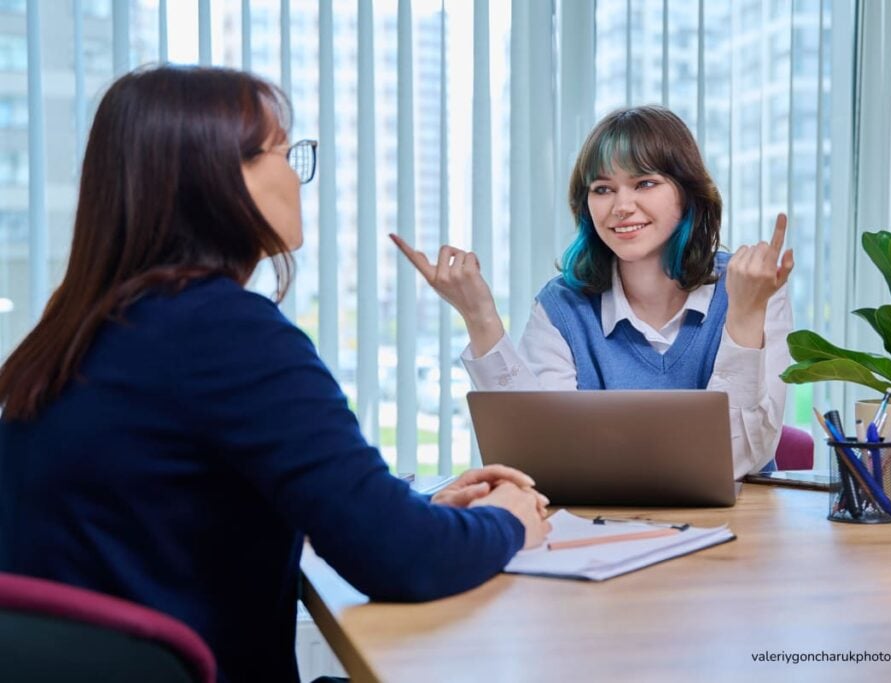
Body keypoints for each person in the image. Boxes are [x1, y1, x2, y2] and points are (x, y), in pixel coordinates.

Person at [0, 65, 549, 683]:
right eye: (284, 153)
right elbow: (402, 560)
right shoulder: (224, 332)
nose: (296, 175)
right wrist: (508, 519)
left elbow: (174, 521)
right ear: (215, 178)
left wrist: (412, 511)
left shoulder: (78, 329)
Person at [392, 105, 794, 479]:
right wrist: (479, 317)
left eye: (645, 183)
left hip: (742, 523)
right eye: (603, 189)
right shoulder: (561, 306)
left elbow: (739, 457)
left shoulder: (753, 290)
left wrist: (744, 314)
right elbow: (535, 456)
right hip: (599, 522)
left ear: (688, 194)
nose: (621, 206)